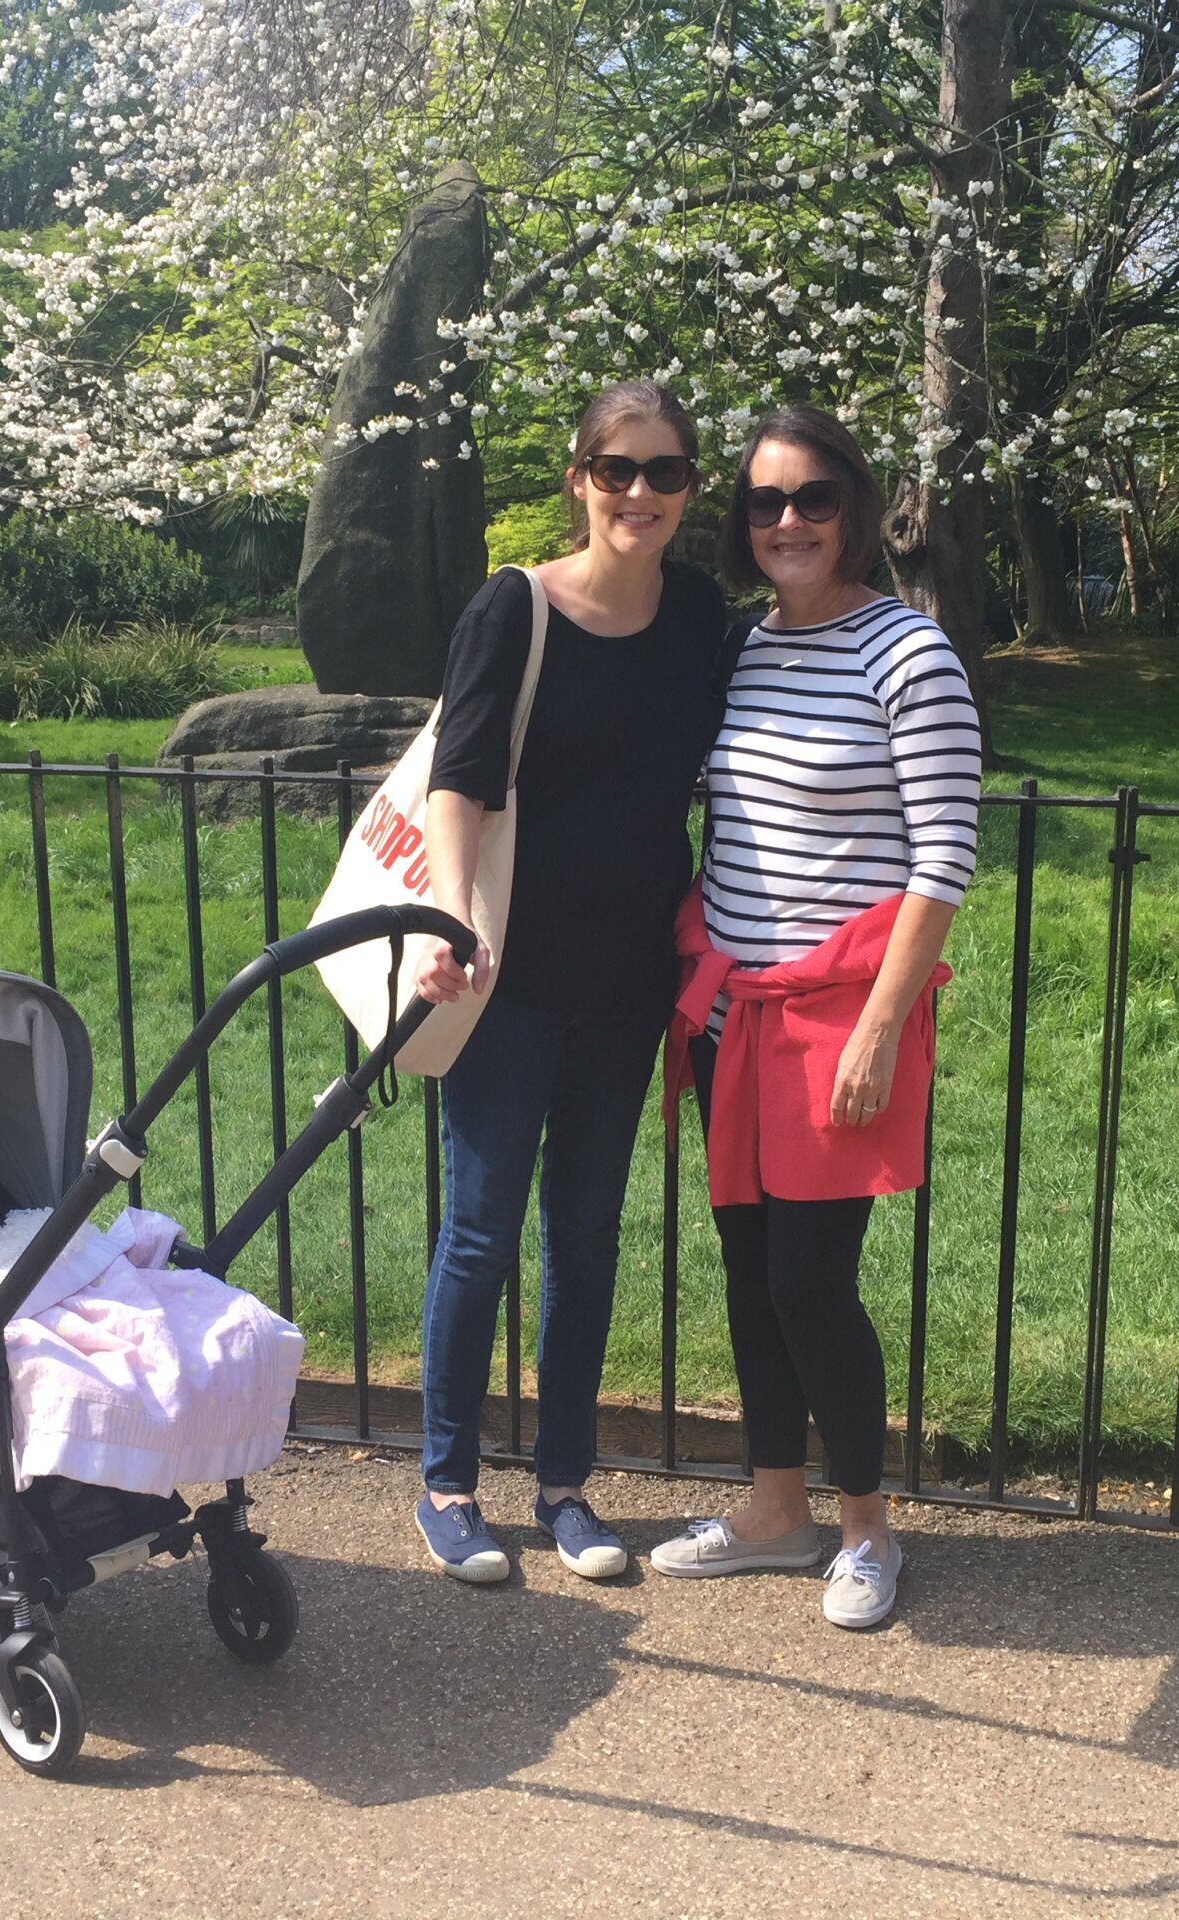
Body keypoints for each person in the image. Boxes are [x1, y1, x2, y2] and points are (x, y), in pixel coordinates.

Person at [647, 407, 982, 1630]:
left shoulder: (908, 655)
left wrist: (884, 1032)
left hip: (842, 1012)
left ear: (856, 505)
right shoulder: (740, 650)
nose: (786, 522)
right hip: (730, 1005)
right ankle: (774, 1510)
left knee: (809, 1282)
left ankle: (863, 1526)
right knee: (746, 1271)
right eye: (764, 502)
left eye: (814, 500)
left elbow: (944, 855)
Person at [406, 381, 733, 1584]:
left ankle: (563, 1486)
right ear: (579, 480)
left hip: (631, 975)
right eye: (617, 470)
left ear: (691, 488)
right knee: (483, 1230)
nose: (639, 495)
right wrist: (446, 914)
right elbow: (463, 772)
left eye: (665, 473)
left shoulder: (700, 615)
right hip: (508, 976)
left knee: (586, 1236)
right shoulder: (516, 609)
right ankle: (447, 1480)